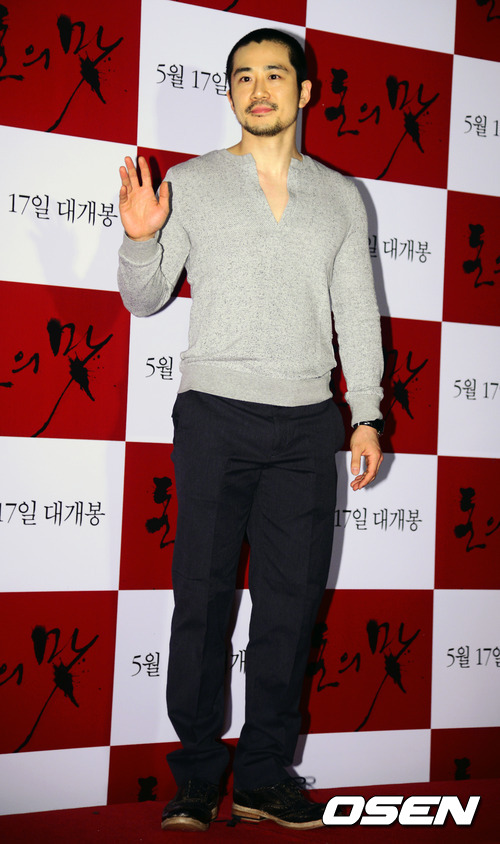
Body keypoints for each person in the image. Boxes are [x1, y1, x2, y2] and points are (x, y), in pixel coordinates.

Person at [117, 27, 384, 832]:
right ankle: (198, 777)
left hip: (307, 426)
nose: (258, 88)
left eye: (274, 74)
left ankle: (265, 776)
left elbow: (356, 312)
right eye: (242, 76)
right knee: (201, 601)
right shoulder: (191, 183)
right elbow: (145, 298)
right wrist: (139, 240)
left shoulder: (341, 197)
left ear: (304, 91)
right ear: (230, 92)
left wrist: (366, 413)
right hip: (215, 416)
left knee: (289, 609)